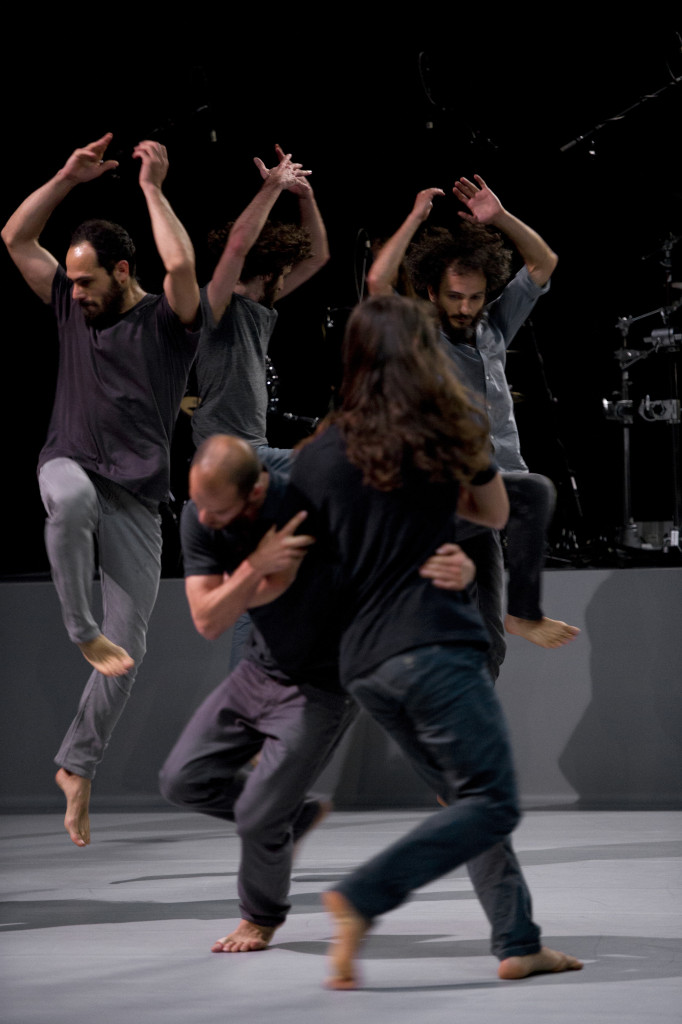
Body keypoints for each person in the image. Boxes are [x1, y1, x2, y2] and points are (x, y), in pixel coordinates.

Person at [286, 295, 582, 989]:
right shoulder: (446, 425)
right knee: (494, 801)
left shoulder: (316, 453)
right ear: (421, 353)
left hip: (362, 661)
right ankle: (362, 897)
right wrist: (451, 545)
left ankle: (518, 940)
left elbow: (314, 558)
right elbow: (501, 510)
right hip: (432, 646)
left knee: (466, 801)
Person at [159, 434, 476, 953]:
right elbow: (208, 619)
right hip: (258, 670)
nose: (205, 519)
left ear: (256, 492)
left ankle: (260, 917)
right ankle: (297, 815)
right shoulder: (199, 516)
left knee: (260, 814)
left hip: (322, 687)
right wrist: (256, 564)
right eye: (200, 505)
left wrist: (456, 571)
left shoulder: (309, 508)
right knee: (182, 780)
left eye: (218, 510)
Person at [2, 133, 201, 848]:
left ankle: (76, 766)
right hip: (68, 463)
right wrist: (65, 177)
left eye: (88, 280)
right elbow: (15, 236)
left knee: (132, 648)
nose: (74, 290)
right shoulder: (67, 304)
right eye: (71, 280)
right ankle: (78, 626)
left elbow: (181, 264)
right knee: (74, 501)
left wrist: (152, 187)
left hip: (139, 498)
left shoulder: (167, 325)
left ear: (121, 270)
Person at [369, 176, 578, 671]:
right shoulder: (415, 331)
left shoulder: (493, 326)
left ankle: (468, 736)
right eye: (455, 297)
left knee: (486, 646)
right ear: (431, 291)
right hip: (434, 496)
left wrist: (501, 218)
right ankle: (522, 614)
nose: (465, 308)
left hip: (483, 498)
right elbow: (379, 284)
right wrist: (416, 219)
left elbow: (543, 263)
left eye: (475, 297)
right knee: (535, 493)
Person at [191, 144, 329, 469]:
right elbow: (238, 245)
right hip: (222, 455)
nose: (284, 282)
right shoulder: (217, 304)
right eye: (281, 275)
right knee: (326, 468)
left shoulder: (258, 306)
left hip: (253, 449)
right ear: (266, 273)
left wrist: (305, 198)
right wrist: (273, 186)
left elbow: (317, 258)